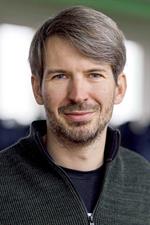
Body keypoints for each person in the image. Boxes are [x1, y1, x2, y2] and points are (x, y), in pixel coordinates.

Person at [0, 6, 150, 225]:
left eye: (94, 75)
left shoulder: (145, 180)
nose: (78, 95)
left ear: (119, 88)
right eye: (60, 76)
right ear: (37, 89)